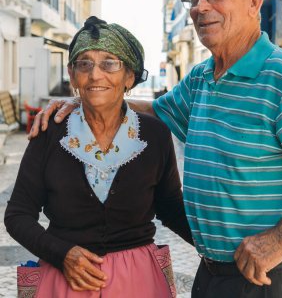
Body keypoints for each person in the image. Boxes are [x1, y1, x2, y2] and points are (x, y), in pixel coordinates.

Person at [29, 0, 282, 298]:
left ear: (254, 2)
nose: (200, 7)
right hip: (213, 274)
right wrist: (89, 97)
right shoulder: (202, 78)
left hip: (268, 277)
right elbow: (152, 112)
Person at [5, 16, 192, 297]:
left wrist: (222, 250)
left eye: (109, 63)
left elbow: (170, 207)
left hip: (138, 282)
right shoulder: (50, 133)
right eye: (84, 64)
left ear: (129, 76)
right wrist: (62, 254)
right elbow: (18, 214)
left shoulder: (154, 135)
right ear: (73, 75)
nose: (95, 75)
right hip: (65, 280)